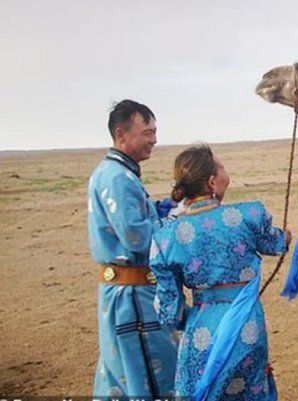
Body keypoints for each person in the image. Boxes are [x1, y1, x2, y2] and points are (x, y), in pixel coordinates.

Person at [149, 144, 290, 400]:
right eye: (222, 167)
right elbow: (277, 244)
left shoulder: (165, 238)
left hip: (200, 327)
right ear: (212, 182)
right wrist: (287, 236)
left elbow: (168, 312)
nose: (227, 173)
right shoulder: (249, 215)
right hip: (246, 322)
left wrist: (191, 319)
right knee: (249, 388)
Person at [87, 99, 179, 398]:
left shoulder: (117, 172)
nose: (154, 139)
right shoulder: (117, 177)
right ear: (121, 133)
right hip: (132, 297)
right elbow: (136, 238)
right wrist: (178, 221)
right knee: (149, 374)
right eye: (147, 132)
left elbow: (136, 219)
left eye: (155, 132)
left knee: (125, 371)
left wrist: (163, 209)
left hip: (126, 291)